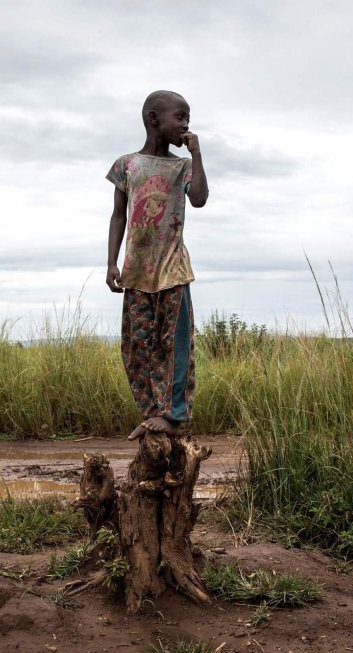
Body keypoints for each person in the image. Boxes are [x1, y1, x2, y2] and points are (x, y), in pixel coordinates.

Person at [105, 90, 209, 441]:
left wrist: (196, 152)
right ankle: (151, 412)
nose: (185, 124)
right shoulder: (126, 165)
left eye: (187, 118)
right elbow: (119, 215)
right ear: (153, 119)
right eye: (179, 117)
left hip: (173, 272)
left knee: (176, 348)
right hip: (136, 273)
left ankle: (174, 415)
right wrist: (111, 264)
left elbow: (199, 200)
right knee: (138, 347)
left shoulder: (183, 166)